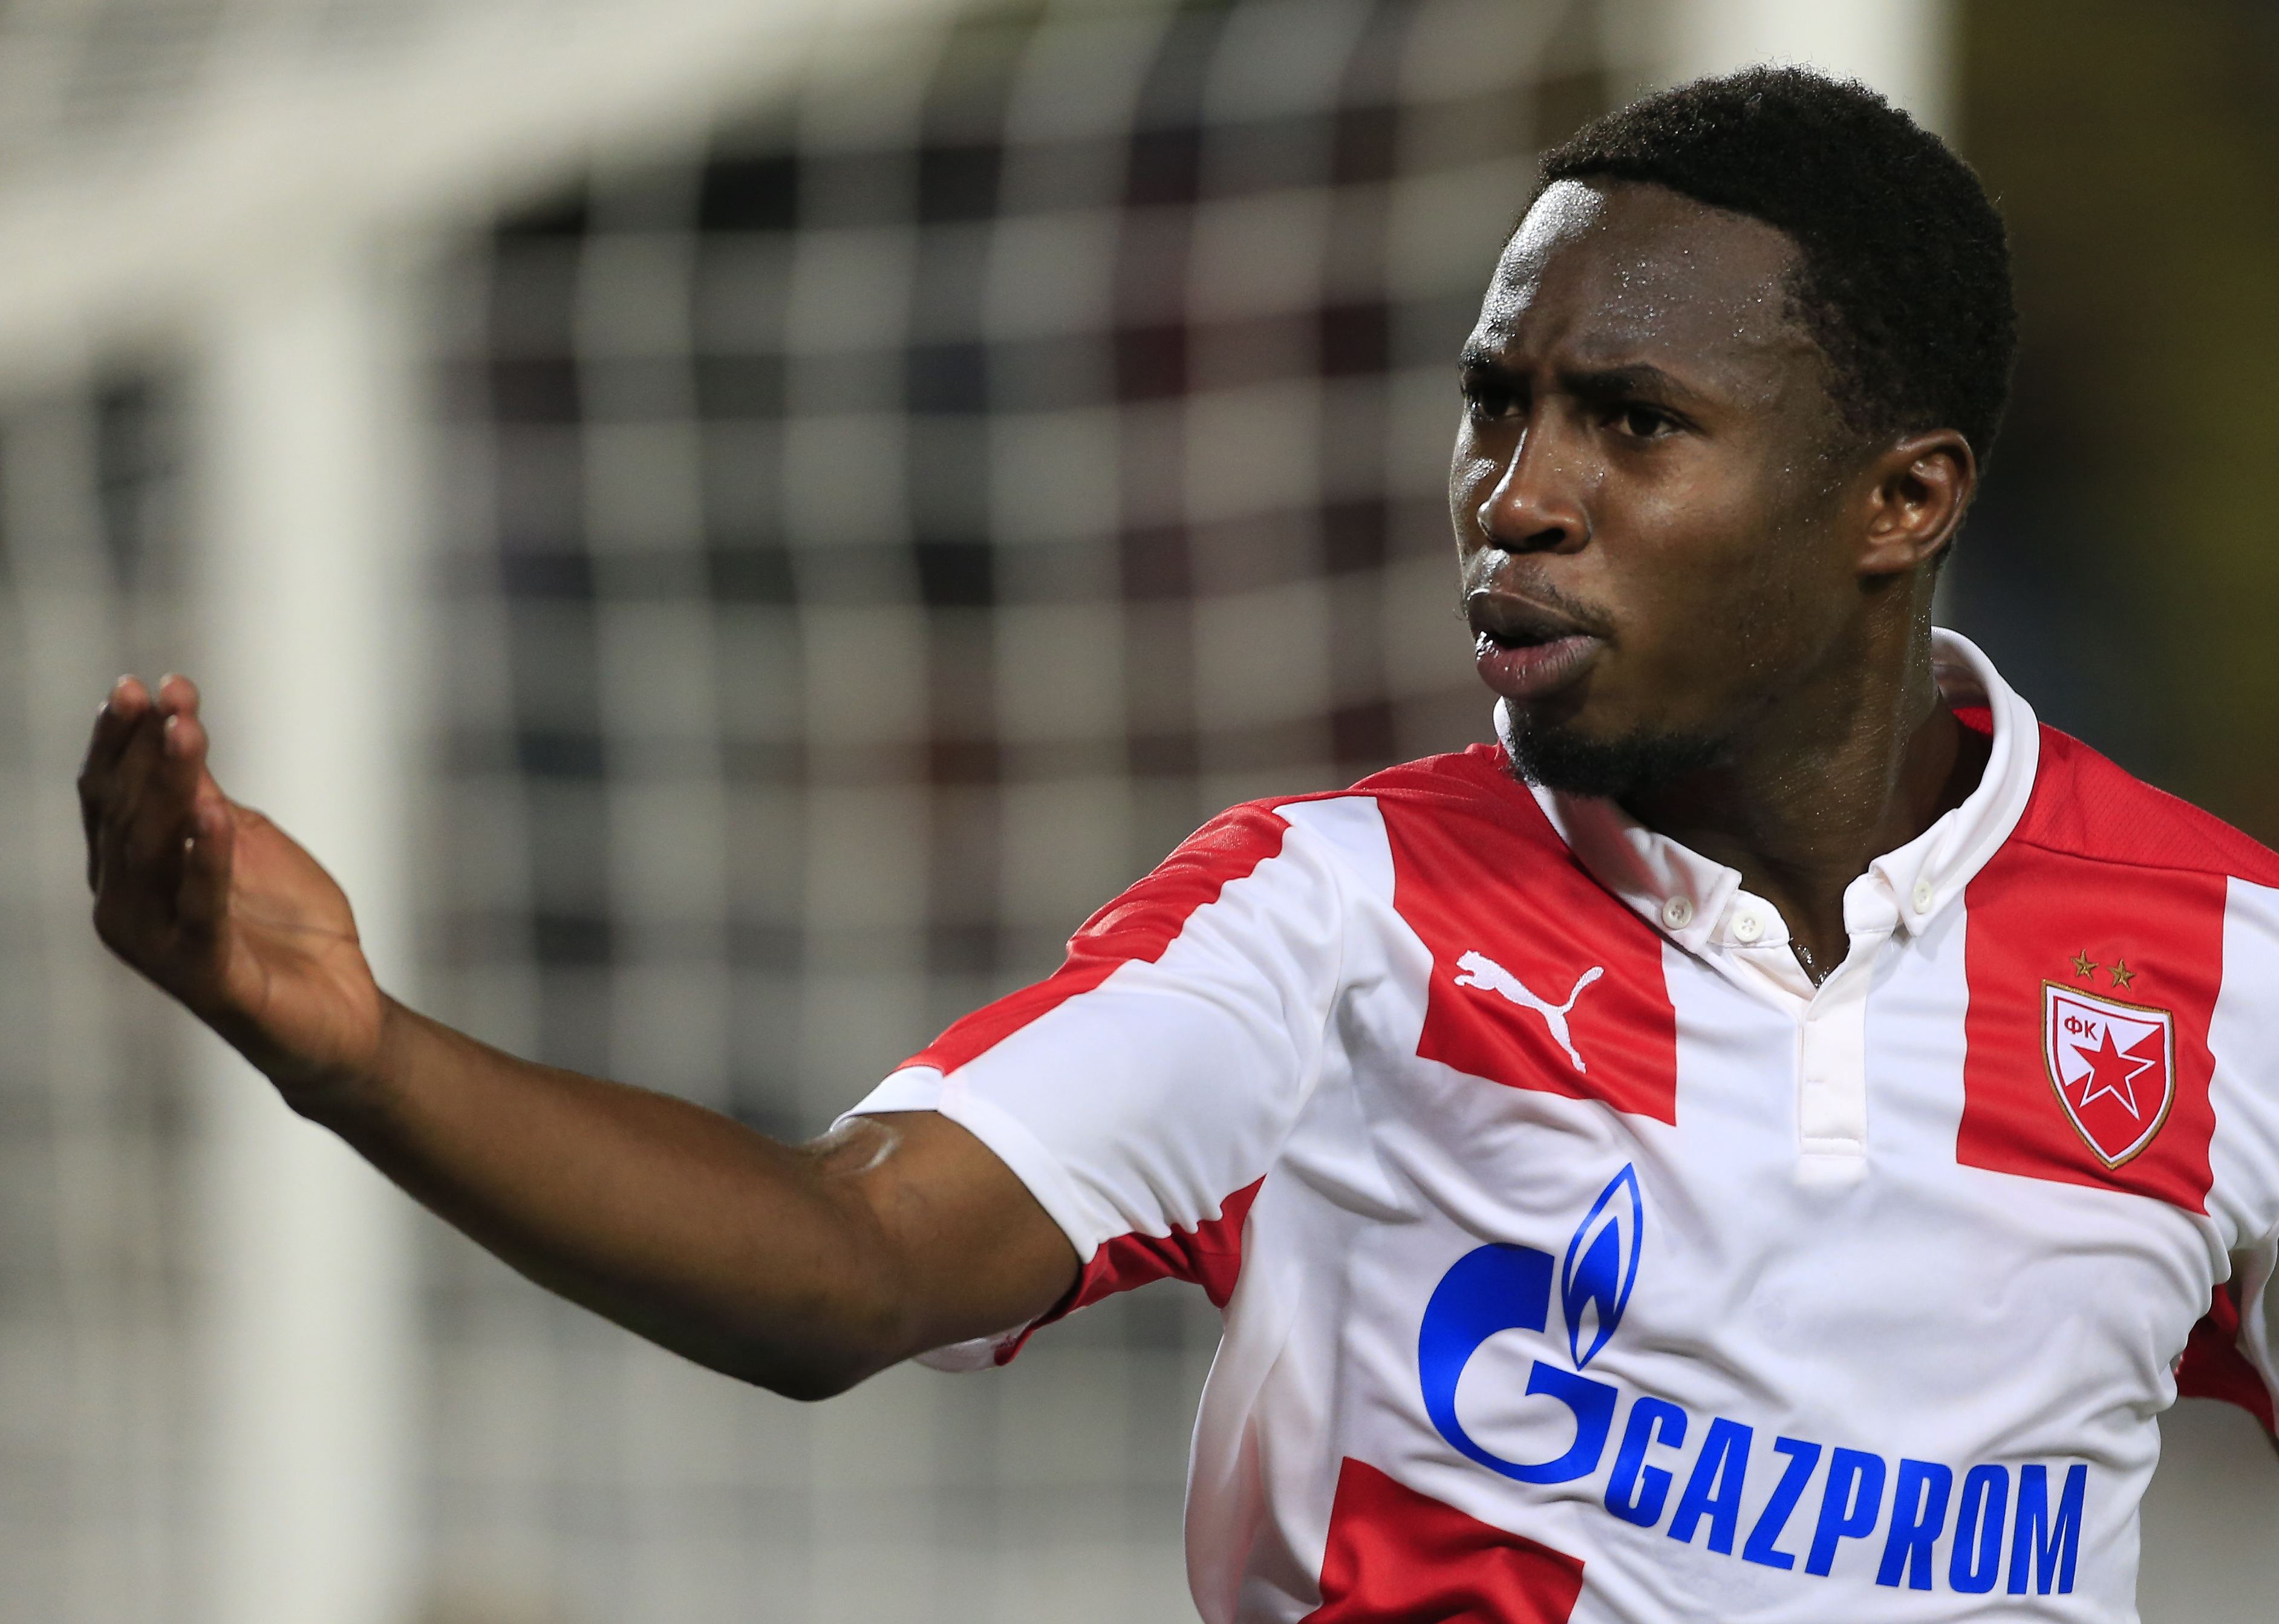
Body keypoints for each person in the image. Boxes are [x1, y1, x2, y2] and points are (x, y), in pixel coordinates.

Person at [75, 66, 2279, 1623]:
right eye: (1496, 402)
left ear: (1902, 499)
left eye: (1633, 423)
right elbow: (855, 1261)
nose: (1519, 494)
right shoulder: (1337, 923)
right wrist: (356, 1047)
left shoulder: (2225, 968)